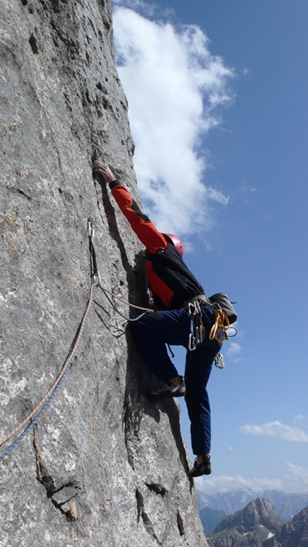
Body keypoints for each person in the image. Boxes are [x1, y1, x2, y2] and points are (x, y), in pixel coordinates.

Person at [93, 160, 231, 477]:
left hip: (198, 319)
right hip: (211, 330)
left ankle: (172, 381)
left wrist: (115, 184)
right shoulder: (174, 278)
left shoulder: (161, 249)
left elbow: (139, 220)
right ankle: (202, 458)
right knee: (198, 394)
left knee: (142, 327)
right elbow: (168, 314)